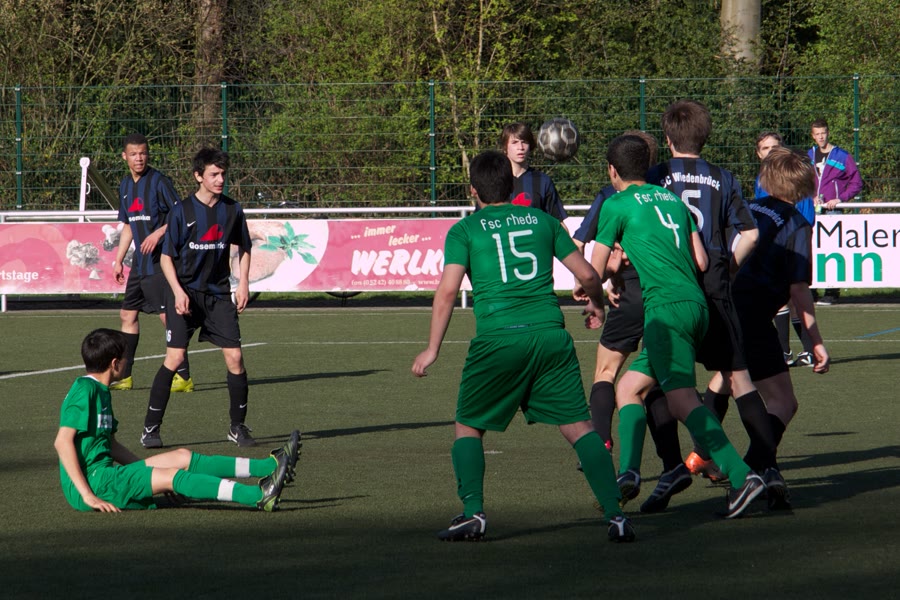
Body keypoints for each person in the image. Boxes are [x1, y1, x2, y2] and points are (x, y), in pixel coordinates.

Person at [411, 149, 635, 543]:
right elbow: (587, 274)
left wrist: (432, 349)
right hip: (550, 337)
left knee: (468, 426)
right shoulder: (544, 221)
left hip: (498, 339)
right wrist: (598, 306)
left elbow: (447, 292)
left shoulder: (465, 230)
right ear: (512, 186)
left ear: (473, 191)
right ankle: (615, 515)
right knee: (580, 428)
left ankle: (473, 513)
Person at [594, 133, 766, 519]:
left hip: (664, 311)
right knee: (628, 387)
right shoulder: (672, 200)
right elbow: (701, 260)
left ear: (612, 171)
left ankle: (742, 476)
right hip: (696, 306)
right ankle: (629, 472)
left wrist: (596, 287)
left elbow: (595, 269)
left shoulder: (616, 204)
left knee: (681, 400)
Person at [640, 100, 778, 514]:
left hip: (674, 288)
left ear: (668, 139)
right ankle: (768, 470)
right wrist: (727, 269)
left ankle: (672, 466)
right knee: (739, 381)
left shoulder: (656, 176)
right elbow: (750, 234)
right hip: (715, 287)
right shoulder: (724, 177)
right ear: (705, 137)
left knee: (655, 383)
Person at [55, 328, 300, 513]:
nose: (129, 361)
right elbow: (62, 442)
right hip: (95, 484)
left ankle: (270, 467)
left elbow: (110, 445)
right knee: (174, 476)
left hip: (105, 477)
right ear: (114, 363)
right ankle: (257, 496)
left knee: (183, 456)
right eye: (126, 357)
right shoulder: (84, 389)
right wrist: (87, 495)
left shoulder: (101, 391)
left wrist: (148, 472)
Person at [713, 147, 831, 509]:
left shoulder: (748, 207)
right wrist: (815, 342)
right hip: (752, 315)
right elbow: (799, 290)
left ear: (766, 178)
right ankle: (751, 472)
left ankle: (710, 454)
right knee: (783, 401)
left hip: (723, 304)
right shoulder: (796, 223)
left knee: (725, 378)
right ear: (805, 186)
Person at [141, 147, 255, 449]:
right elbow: (166, 258)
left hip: (218, 295)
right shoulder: (182, 211)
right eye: (214, 174)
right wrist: (178, 292)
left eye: (223, 174)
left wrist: (243, 283)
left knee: (235, 358)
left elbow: (244, 247)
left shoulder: (232, 209)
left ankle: (237, 427)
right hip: (184, 293)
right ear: (198, 176)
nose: (220, 180)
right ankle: (150, 428)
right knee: (175, 357)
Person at [571, 131, 660, 454]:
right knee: (658, 378)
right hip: (666, 295)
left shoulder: (612, 197)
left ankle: (601, 442)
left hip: (628, 292)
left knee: (606, 372)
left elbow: (581, 242)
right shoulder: (666, 194)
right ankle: (677, 461)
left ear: (615, 167)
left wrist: (594, 284)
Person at [110, 133, 193, 393]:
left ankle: (184, 376)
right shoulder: (125, 185)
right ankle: (125, 376)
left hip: (161, 260)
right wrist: (118, 259)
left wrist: (158, 234)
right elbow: (128, 226)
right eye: (134, 154)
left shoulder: (159, 182)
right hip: (139, 263)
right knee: (127, 314)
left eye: (143, 153)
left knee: (167, 317)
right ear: (124, 156)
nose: (139, 158)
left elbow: (181, 215)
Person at [755, 132, 816, 367]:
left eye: (775, 147)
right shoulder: (761, 179)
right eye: (765, 148)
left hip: (790, 244)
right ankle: (797, 351)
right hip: (770, 244)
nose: (770, 152)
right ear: (758, 154)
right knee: (785, 299)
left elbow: (805, 215)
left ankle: (791, 352)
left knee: (791, 295)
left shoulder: (793, 176)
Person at [808, 118, 864, 305]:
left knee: (832, 250)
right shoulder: (808, 156)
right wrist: (810, 197)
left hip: (834, 211)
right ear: (813, 136)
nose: (821, 137)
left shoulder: (842, 156)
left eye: (823, 133)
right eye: (817, 134)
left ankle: (832, 290)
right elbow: (801, 181)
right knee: (812, 249)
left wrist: (840, 198)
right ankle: (812, 289)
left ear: (828, 133)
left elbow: (856, 182)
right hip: (813, 210)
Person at [499, 122, 568, 223]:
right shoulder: (495, 180)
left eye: (524, 142)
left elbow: (558, 223)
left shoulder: (543, 181)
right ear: (505, 147)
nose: (520, 147)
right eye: (515, 142)